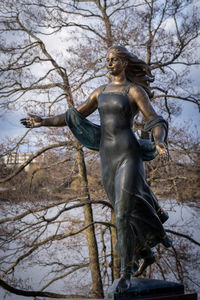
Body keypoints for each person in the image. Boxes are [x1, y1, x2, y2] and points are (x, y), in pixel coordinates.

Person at [21, 45, 172, 294]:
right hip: (107, 159)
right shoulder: (99, 92)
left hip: (129, 157)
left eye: (114, 60)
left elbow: (155, 120)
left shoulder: (133, 91)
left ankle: (125, 273)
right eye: (107, 60)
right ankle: (145, 252)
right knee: (124, 212)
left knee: (123, 213)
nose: (109, 63)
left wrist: (159, 140)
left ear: (124, 63)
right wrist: (43, 122)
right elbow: (74, 116)